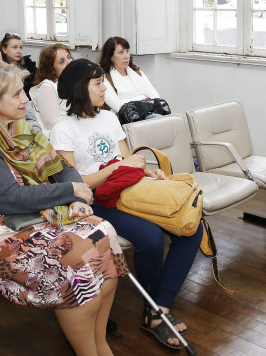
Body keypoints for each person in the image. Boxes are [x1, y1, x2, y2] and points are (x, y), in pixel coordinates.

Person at [0, 61, 127, 356]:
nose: (25, 99)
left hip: (34, 214)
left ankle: (100, 344)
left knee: (104, 233)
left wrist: (75, 198)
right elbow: (7, 198)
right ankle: (88, 351)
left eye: (23, 91)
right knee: (75, 260)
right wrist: (69, 192)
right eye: (17, 94)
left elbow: (63, 168)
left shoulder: (22, 130)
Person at [50, 58, 201, 350]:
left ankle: (159, 307)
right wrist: (118, 168)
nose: (104, 88)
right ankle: (155, 312)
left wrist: (146, 172)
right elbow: (76, 183)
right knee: (151, 237)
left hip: (128, 191)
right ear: (81, 88)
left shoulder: (109, 118)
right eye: (98, 83)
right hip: (97, 201)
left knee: (191, 227)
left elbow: (126, 160)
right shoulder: (63, 128)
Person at [98, 37, 161, 113]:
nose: (127, 56)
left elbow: (156, 98)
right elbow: (119, 107)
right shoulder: (105, 80)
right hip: (122, 119)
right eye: (121, 52)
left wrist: (130, 102)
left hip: (149, 116)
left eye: (127, 51)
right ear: (111, 57)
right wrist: (143, 98)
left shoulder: (139, 74)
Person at [30, 43, 73, 133]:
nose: (69, 62)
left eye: (69, 57)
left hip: (70, 131)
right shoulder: (47, 87)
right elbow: (52, 124)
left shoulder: (71, 82)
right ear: (52, 69)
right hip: (53, 135)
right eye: (61, 61)